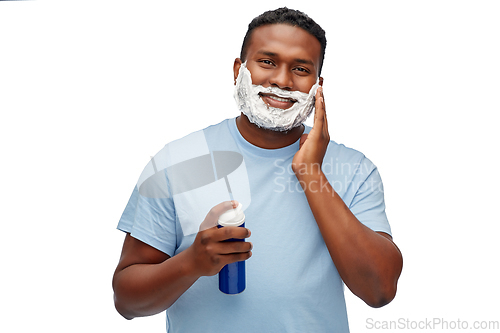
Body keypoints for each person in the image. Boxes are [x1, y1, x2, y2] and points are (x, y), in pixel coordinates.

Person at [113, 7, 403, 332]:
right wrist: (191, 263)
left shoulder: (354, 170)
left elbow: (379, 290)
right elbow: (126, 302)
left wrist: (311, 173)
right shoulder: (177, 162)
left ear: (317, 86)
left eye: (300, 68)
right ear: (239, 69)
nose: (281, 79)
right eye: (267, 61)